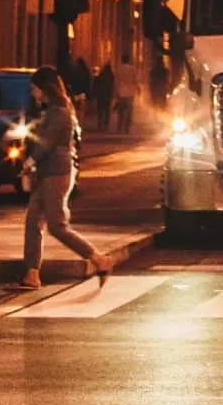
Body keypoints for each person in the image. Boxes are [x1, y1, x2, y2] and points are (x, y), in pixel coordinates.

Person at [18, 66, 112, 290]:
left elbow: (48, 142)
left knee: (57, 226)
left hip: (57, 173)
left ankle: (98, 259)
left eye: (34, 89)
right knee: (33, 222)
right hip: (47, 172)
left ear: (45, 88)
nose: (32, 93)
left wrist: (30, 161)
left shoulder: (59, 111)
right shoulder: (53, 109)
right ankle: (31, 275)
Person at [92, 62, 116, 133]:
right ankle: (106, 124)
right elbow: (112, 86)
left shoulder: (100, 75)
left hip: (101, 95)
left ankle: (99, 123)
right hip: (108, 95)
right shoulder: (111, 76)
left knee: (100, 110)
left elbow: (96, 84)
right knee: (107, 111)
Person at [115, 54, 136, 133]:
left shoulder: (118, 69)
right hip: (130, 92)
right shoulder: (133, 69)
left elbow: (116, 82)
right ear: (128, 60)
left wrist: (116, 92)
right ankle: (127, 127)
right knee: (129, 111)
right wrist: (137, 89)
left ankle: (119, 127)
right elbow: (135, 80)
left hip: (121, 92)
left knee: (121, 110)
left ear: (122, 60)